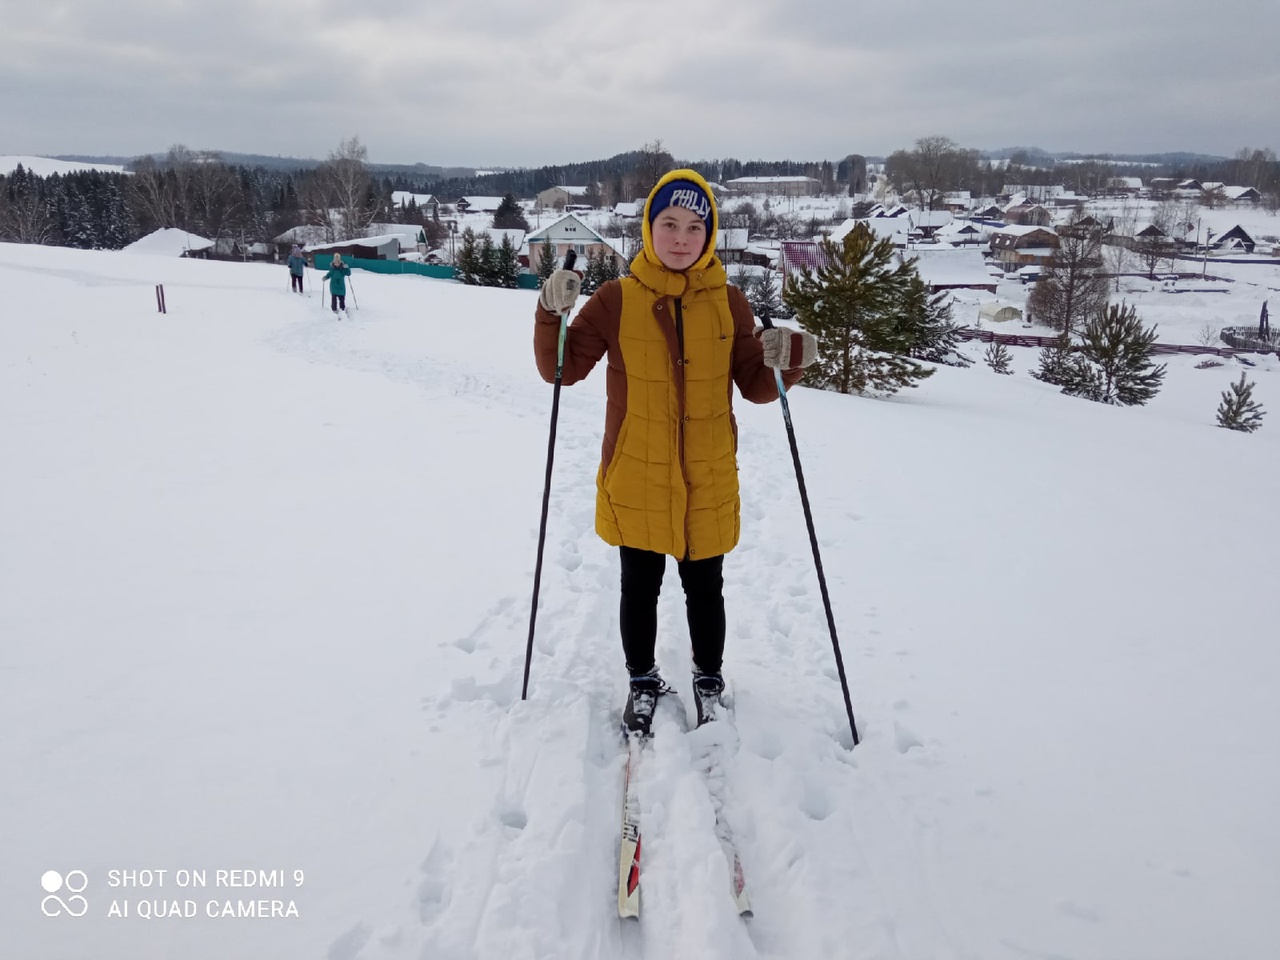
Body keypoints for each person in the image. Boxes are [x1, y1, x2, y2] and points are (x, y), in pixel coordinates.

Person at [533, 169, 818, 734]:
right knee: (638, 588)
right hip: (637, 474)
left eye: (694, 226)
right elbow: (560, 369)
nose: (682, 238)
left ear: (709, 235)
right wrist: (550, 311)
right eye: (669, 223)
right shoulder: (616, 300)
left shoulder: (730, 302)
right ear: (649, 228)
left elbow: (756, 385)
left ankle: (708, 679)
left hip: (707, 476)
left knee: (705, 589)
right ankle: (641, 681)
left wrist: (789, 358)